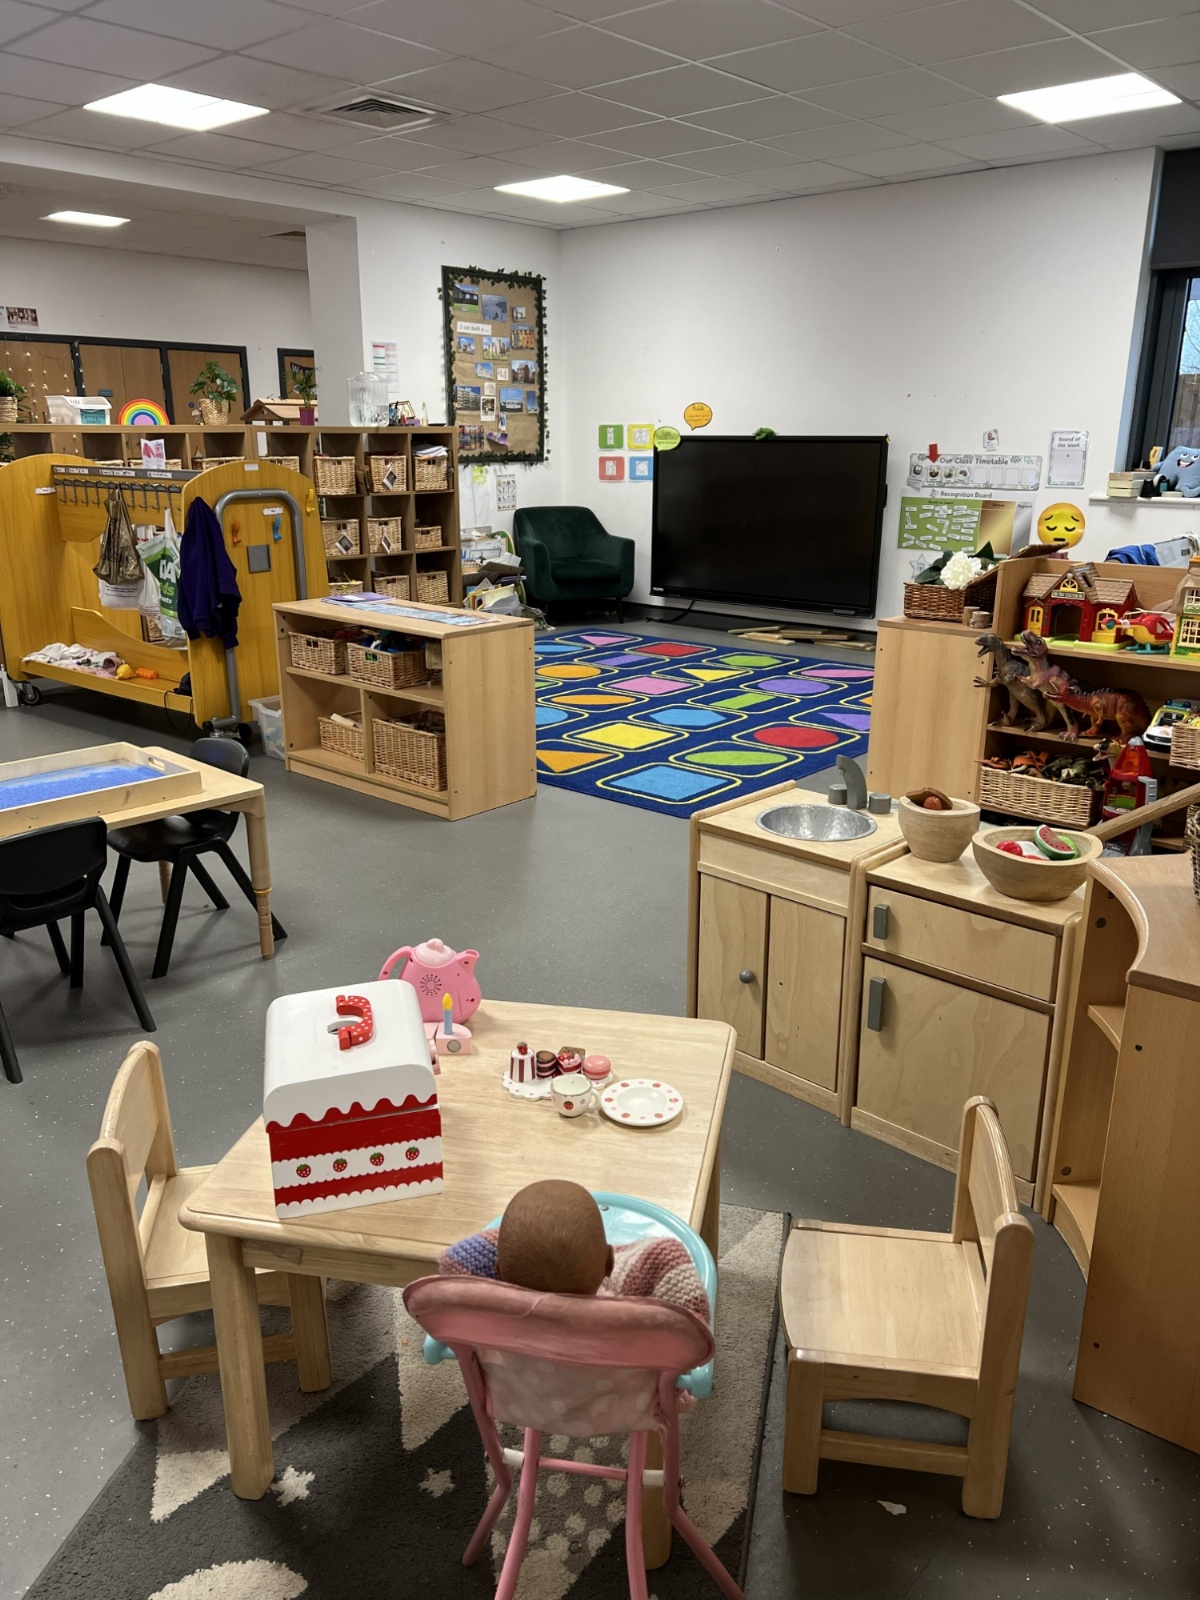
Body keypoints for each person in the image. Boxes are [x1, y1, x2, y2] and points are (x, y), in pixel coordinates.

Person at [439, 1178, 710, 1323]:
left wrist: (516, 1244)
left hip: (518, 1398)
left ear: (498, 1270)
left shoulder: (496, 1322)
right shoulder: (621, 1321)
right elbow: (665, 1259)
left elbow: (456, 1262)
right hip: (619, 1401)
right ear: (609, 1264)